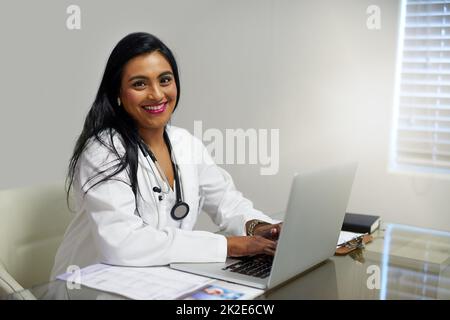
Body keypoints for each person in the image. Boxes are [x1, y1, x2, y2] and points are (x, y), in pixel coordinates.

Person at [51, 32, 281, 279]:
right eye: (139, 84)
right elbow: (122, 242)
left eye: (165, 80)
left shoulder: (185, 144)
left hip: (159, 281)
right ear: (117, 92)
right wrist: (228, 246)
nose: (157, 95)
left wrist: (260, 228)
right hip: (92, 286)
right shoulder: (104, 151)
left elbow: (228, 202)